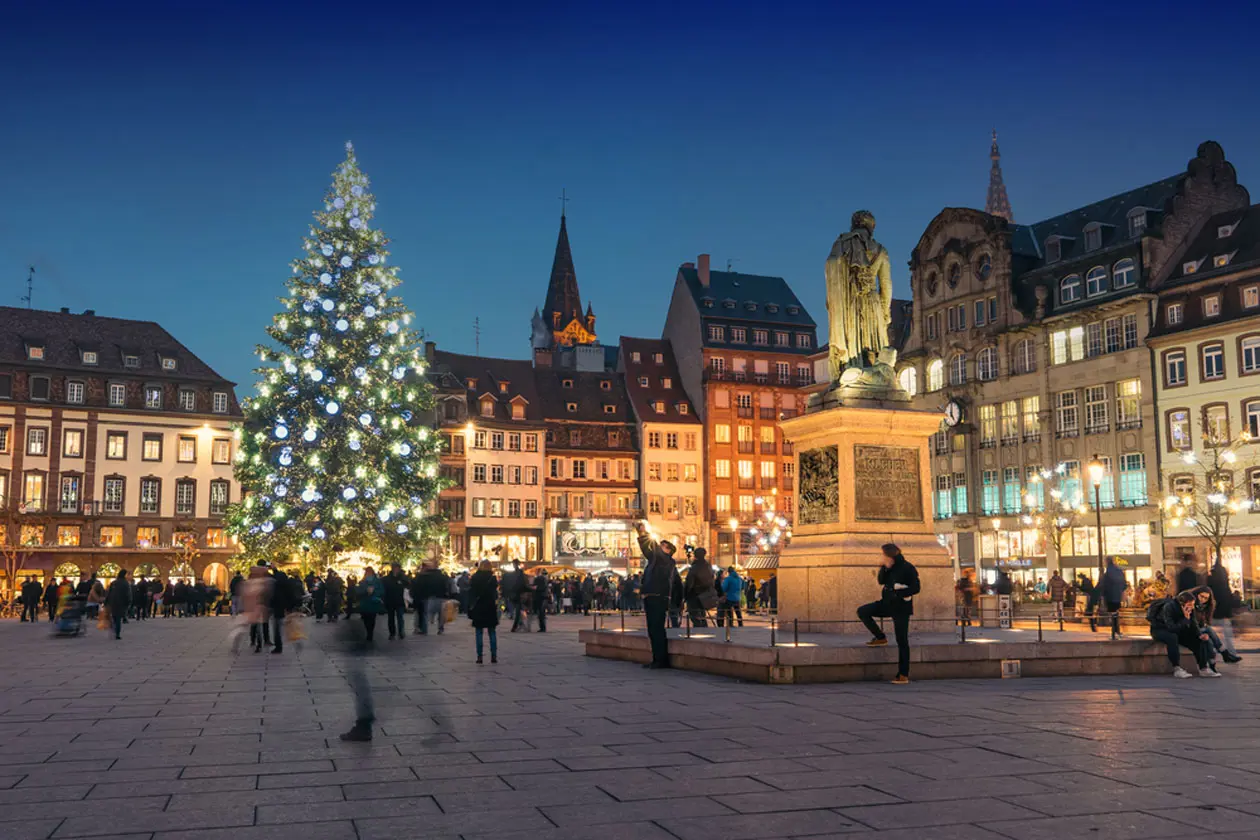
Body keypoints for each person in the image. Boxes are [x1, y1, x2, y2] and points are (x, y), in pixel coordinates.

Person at [857, 543, 921, 685]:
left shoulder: (907, 567)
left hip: (901, 607)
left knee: (902, 640)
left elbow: (916, 587)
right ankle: (880, 637)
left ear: (889, 555)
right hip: (886, 604)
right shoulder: (888, 567)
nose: (881, 557)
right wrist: (884, 568)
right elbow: (881, 581)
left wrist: (899, 593)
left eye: (883, 555)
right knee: (863, 611)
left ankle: (903, 674)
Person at [635, 522, 677, 669]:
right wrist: (641, 534)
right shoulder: (655, 560)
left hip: (659, 597)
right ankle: (656, 658)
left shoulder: (667, 561)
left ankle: (662, 660)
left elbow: (654, 550)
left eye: (663, 545)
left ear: (669, 551)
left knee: (658, 629)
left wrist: (646, 533)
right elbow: (647, 550)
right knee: (652, 629)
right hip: (651, 596)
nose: (659, 546)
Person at [1149, 592, 1217, 678]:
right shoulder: (1168, 607)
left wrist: (1200, 634)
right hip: (1160, 630)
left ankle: (1203, 668)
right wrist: (1185, 619)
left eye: (1193, 604)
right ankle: (1177, 669)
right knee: (1172, 637)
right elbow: (1171, 628)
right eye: (1190, 604)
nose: (1192, 607)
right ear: (1182, 604)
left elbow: (1193, 623)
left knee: (1198, 639)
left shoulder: (1189, 609)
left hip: (1177, 628)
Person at [1207, 562, 1242, 661]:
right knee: (1227, 636)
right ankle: (1230, 654)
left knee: (1212, 635)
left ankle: (1212, 654)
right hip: (1222, 614)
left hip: (1212, 613)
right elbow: (1228, 600)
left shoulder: (1210, 583)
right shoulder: (1224, 585)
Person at [468, 560, 499, 664]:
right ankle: (494, 656)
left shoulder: (475, 577)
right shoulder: (492, 578)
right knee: (492, 632)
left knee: (479, 632)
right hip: (490, 607)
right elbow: (495, 594)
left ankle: (479, 656)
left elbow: (471, 593)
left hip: (479, 606)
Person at [1100, 558, 1128, 638]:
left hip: (1110, 596)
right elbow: (1124, 584)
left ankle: (1114, 633)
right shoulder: (1119, 571)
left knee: (1112, 614)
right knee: (1115, 613)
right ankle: (1116, 631)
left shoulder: (1107, 572)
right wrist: (1120, 591)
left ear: (1106, 562)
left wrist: (1103, 595)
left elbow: (1104, 585)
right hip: (1117, 596)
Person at [356, 566, 384, 642]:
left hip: (373, 603)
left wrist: (374, 591)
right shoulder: (362, 582)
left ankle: (370, 633)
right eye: (367, 572)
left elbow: (382, 591)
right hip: (365, 603)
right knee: (365, 619)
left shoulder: (377, 581)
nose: (368, 574)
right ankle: (368, 630)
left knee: (372, 618)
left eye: (369, 572)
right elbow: (358, 592)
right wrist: (366, 591)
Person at [104, 570, 132, 640]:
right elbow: (128, 594)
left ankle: (114, 631)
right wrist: (129, 602)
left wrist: (106, 602)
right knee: (118, 618)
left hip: (113, 602)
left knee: (114, 617)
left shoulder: (114, 582)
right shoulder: (125, 583)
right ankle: (117, 634)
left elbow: (109, 593)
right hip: (121, 603)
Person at [383, 563, 408, 640]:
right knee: (391, 618)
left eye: (397, 568)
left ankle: (401, 632)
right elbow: (385, 589)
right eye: (394, 568)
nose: (396, 569)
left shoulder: (403, 578)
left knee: (400, 617)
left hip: (400, 601)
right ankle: (392, 633)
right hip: (390, 601)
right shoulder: (387, 579)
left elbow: (408, 586)